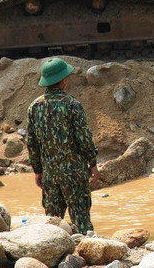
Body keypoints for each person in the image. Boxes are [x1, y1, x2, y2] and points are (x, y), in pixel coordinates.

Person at [25, 57, 99, 234]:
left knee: (52, 223)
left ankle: (52, 255)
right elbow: (83, 138)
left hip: (50, 175)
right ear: (63, 81)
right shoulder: (72, 105)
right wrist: (93, 164)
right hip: (74, 175)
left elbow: (31, 143)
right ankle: (84, 254)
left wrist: (37, 171)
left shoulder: (34, 107)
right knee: (81, 222)